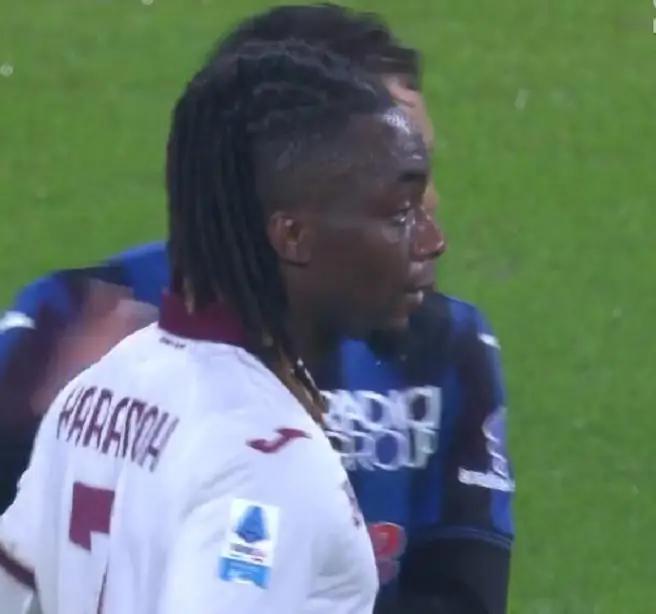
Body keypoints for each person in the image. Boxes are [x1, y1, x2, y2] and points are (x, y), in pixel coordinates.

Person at [0, 5, 514, 613]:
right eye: (397, 210)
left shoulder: (97, 388)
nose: (432, 237)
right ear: (293, 231)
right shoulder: (269, 465)